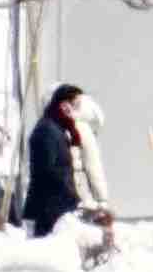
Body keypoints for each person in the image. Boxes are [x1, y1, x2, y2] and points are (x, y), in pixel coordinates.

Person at [19, 83, 114, 242]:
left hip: (73, 199)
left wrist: (100, 199)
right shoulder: (54, 128)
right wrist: (101, 199)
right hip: (65, 201)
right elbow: (43, 171)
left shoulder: (71, 128)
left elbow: (92, 167)